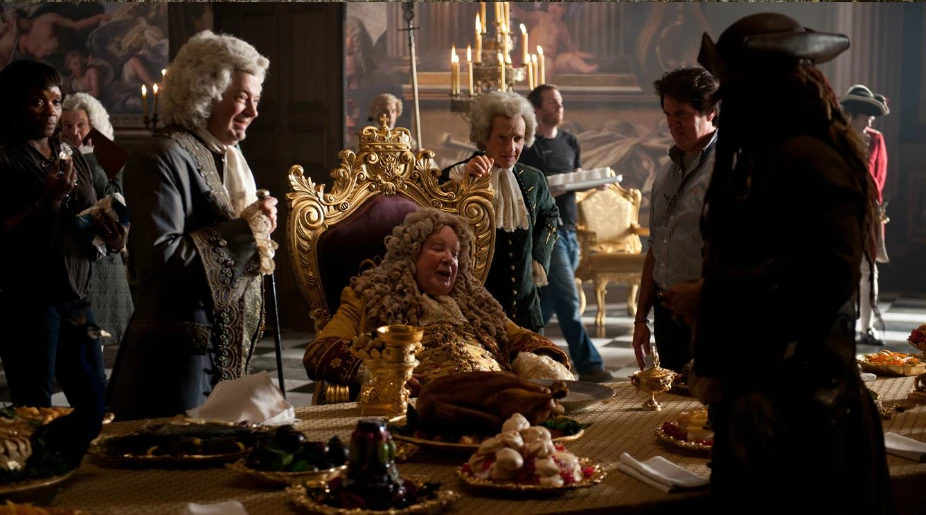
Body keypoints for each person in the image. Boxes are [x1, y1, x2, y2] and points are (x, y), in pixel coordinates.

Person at [668, 13, 893, 513]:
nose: (725, 110)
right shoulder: (763, 158)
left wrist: (715, 294)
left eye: (733, 95)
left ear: (764, 95)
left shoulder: (811, 160)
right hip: (763, 408)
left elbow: (828, 275)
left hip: (807, 417)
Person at [107, 31, 278, 421]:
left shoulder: (225, 156)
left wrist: (256, 226)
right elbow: (161, 256)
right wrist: (248, 230)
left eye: (256, 99)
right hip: (174, 363)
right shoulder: (159, 156)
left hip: (222, 355)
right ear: (205, 93)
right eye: (242, 97)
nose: (253, 111)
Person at [303, 208, 573, 398]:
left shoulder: (475, 301)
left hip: (498, 397)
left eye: (455, 254)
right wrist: (382, 374)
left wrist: (537, 362)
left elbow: (520, 338)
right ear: (411, 254)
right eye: (437, 248)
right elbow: (320, 351)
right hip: (422, 407)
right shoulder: (369, 295)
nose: (449, 259)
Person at [0, 60, 126, 408]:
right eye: (37, 101)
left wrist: (113, 239)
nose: (50, 111)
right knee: (34, 405)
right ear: (14, 105)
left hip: (77, 299)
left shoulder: (71, 154)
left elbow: (85, 219)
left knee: (96, 397)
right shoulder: (5, 159)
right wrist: (47, 200)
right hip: (27, 303)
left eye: (56, 101)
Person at [442, 91, 559, 334]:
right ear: (484, 137)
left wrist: (538, 259)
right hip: (476, 312)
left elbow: (550, 215)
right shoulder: (458, 175)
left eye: (518, 138)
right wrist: (464, 182)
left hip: (525, 310)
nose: (511, 147)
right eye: (502, 138)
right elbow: (437, 219)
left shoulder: (534, 179)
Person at [518, 84, 613, 383]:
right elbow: (523, 186)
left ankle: (520, 348)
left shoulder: (570, 140)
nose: (560, 107)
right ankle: (590, 364)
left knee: (549, 301)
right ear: (536, 109)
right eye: (553, 102)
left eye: (560, 102)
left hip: (571, 230)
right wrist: (548, 188)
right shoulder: (528, 145)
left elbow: (577, 177)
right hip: (547, 232)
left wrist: (592, 182)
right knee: (569, 299)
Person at [630, 67, 719, 374]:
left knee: (706, 399)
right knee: (671, 399)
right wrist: (641, 319)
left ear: (711, 113)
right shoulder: (665, 174)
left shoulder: (728, 170)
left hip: (710, 312)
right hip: (667, 313)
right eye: (668, 115)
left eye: (681, 114)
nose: (672, 124)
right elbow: (655, 246)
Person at [61, 92, 133, 347]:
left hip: (102, 257)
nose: (75, 132)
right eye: (67, 126)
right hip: (67, 256)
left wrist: (90, 159)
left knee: (95, 342)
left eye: (81, 124)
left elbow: (115, 199)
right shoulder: (57, 155)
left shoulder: (110, 156)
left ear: (93, 125)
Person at [841, 84, 890, 346]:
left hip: (867, 211)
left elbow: (879, 176)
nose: (870, 120)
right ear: (854, 114)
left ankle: (866, 327)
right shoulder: (837, 137)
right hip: (840, 211)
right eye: (866, 114)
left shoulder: (876, 140)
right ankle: (844, 324)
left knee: (868, 269)